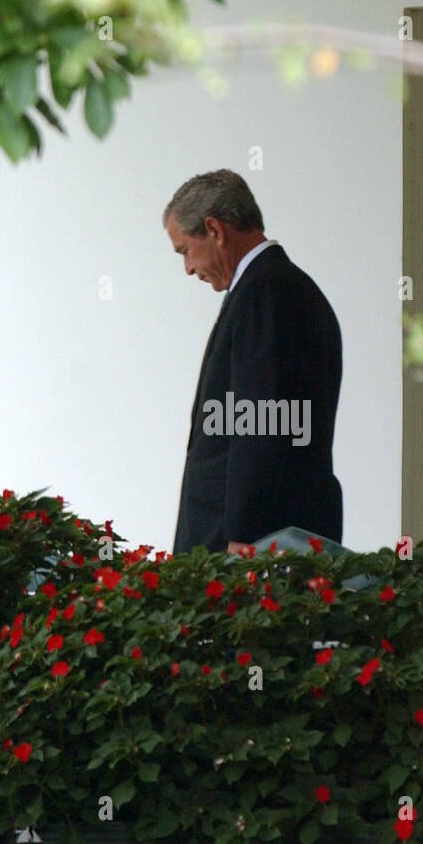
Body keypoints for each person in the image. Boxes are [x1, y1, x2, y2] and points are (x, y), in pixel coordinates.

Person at [163, 169, 343, 555]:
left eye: (184, 251)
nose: (188, 269)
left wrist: (243, 540)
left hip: (248, 548)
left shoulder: (266, 292)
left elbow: (262, 421)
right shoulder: (278, 288)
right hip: (265, 538)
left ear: (215, 230)